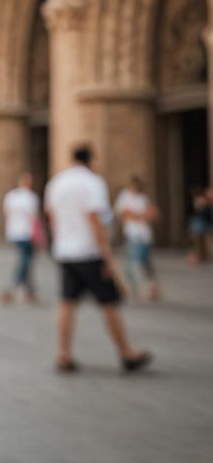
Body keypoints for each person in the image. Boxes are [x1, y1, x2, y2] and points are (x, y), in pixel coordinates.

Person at [44, 144, 152, 374]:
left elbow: (51, 215)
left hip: (65, 250)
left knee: (67, 300)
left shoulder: (57, 182)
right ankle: (125, 353)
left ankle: (63, 354)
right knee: (109, 301)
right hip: (89, 251)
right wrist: (108, 256)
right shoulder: (92, 182)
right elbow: (95, 218)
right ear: (91, 160)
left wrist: (58, 241)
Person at [115, 176, 160, 301]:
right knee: (132, 262)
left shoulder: (143, 198)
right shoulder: (125, 197)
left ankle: (152, 288)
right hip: (132, 234)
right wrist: (141, 215)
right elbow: (124, 214)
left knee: (144, 263)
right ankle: (131, 289)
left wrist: (138, 215)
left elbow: (153, 214)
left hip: (144, 235)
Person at [0, 173, 40, 304]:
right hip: (27, 233)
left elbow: (6, 212)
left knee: (26, 261)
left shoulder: (11, 196)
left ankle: (29, 292)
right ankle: (11, 289)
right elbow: (35, 216)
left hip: (14, 231)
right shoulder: (31, 197)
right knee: (25, 261)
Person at [186, 185, 210, 264]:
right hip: (199, 222)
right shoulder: (199, 200)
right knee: (198, 240)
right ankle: (200, 256)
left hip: (201, 222)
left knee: (200, 240)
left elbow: (201, 212)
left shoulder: (202, 201)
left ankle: (200, 256)